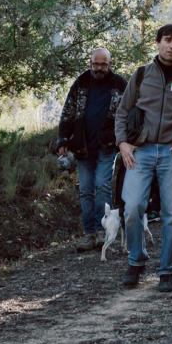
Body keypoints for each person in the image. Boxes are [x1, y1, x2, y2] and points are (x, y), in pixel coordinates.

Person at [114, 24, 172, 292]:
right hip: (140, 151)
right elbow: (123, 111)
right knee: (132, 208)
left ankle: (167, 269)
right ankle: (136, 260)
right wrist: (122, 143)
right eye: (168, 40)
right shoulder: (142, 74)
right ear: (157, 43)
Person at [57, 48, 128, 252]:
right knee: (86, 190)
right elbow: (68, 111)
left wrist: (125, 139)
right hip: (82, 146)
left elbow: (129, 113)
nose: (99, 68)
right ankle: (89, 234)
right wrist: (63, 138)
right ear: (90, 63)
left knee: (102, 185)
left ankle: (103, 232)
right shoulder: (81, 83)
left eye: (103, 64)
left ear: (109, 64)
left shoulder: (119, 84)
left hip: (107, 145)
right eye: (95, 64)